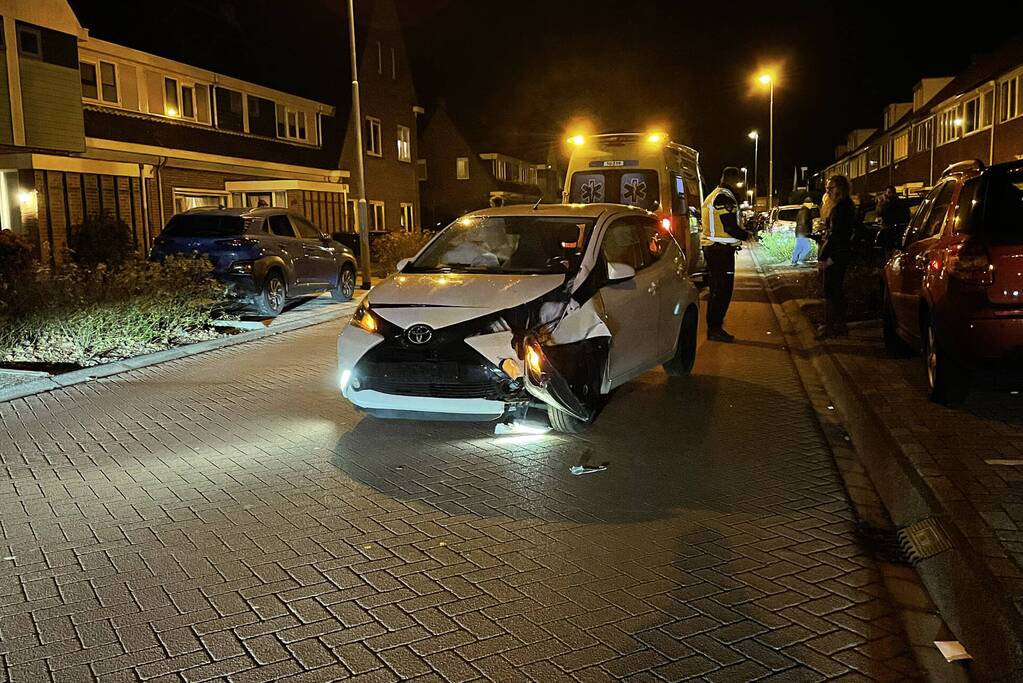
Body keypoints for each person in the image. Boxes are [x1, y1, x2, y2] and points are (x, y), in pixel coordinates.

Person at [700, 167, 750, 342]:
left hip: (715, 250)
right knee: (722, 291)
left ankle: (714, 327)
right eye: (738, 181)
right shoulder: (723, 197)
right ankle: (714, 329)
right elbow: (729, 227)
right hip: (720, 251)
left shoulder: (715, 195)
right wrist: (748, 235)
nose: (739, 186)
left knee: (716, 290)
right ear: (731, 179)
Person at [817, 175, 856, 337]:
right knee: (836, 289)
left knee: (830, 289)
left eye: (830, 188)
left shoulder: (841, 208)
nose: (828, 192)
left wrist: (823, 256)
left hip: (836, 253)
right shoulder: (845, 206)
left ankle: (830, 326)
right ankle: (839, 325)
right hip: (840, 252)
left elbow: (836, 234)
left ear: (839, 188)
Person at [791, 196, 814, 266]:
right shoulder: (805, 211)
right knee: (807, 247)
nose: (812, 205)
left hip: (799, 232)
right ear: (807, 204)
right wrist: (807, 232)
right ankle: (801, 260)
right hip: (803, 232)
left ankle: (794, 261)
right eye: (811, 203)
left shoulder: (801, 210)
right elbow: (803, 222)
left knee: (798, 247)